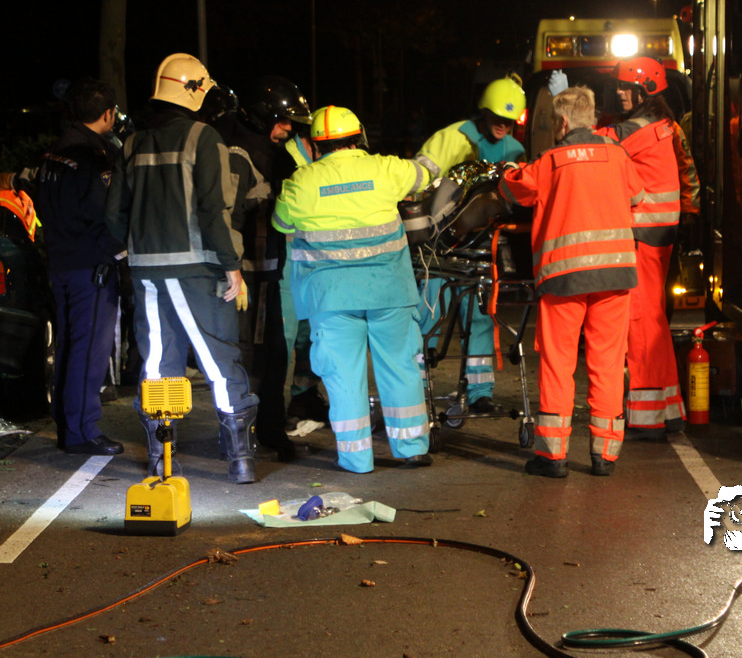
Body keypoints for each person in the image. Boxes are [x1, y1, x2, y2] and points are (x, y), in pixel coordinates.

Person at [105, 53, 258, 484]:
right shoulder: (203, 137)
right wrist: (232, 266)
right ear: (194, 91)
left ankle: (161, 461)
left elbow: (114, 213)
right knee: (218, 359)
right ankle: (240, 462)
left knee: (158, 361)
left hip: (146, 272)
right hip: (198, 270)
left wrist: (134, 248)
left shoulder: (131, 143)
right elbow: (213, 210)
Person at [272, 105, 432, 473]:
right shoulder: (386, 168)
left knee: (342, 376)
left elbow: (281, 223)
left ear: (316, 145)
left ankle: (356, 458)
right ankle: (412, 449)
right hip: (389, 292)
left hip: (332, 297)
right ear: (359, 138)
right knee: (400, 368)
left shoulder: (301, 181)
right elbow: (423, 176)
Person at [499, 86, 641, 478]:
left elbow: (513, 189)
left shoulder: (551, 161)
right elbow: (637, 196)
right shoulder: (617, 155)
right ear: (591, 119)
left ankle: (553, 456)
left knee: (558, 363)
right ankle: (605, 454)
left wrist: (506, 171)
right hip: (615, 275)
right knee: (607, 363)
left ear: (561, 122)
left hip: (564, 278)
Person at [213, 75, 318, 461]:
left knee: (273, 354)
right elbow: (227, 218)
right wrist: (234, 271)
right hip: (246, 274)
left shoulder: (273, 153)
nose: (288, 128)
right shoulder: (238, 154)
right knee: (248, 357)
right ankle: (245, 435)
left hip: (269, 270)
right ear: (260, 116)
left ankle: (269, 428)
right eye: (282, 120)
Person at [412, 75, 528, 414]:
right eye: (498, 118)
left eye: (509, 120)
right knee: (427, 315)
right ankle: (415, 388)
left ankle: (479, 393)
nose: (503, 125)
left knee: (480, 317)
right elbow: (418, 179)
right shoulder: (453, 137)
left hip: (480, 248)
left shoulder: (515, 150)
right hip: (437, 245)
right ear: (483, 112)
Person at [33, 78, 127, 456]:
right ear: (108, 114)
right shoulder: (95, 159)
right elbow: (102, 217)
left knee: (69, 347)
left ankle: (67, 422)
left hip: (59, 261)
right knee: (89, 351)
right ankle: (81, 431)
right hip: (91, 266)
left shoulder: (52, 155)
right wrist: (119, 253)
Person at [601, 57, 685, 440]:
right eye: (619, 86)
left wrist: (570, 118)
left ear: (645, 91)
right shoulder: (662, 124)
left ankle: (648, 419)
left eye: (627, 88)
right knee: (654, 319)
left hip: (643, 235)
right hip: (658, 235)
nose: (620, 93)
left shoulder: (637, 128)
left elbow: (596, 143)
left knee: (640, 321)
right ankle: (668, 409)